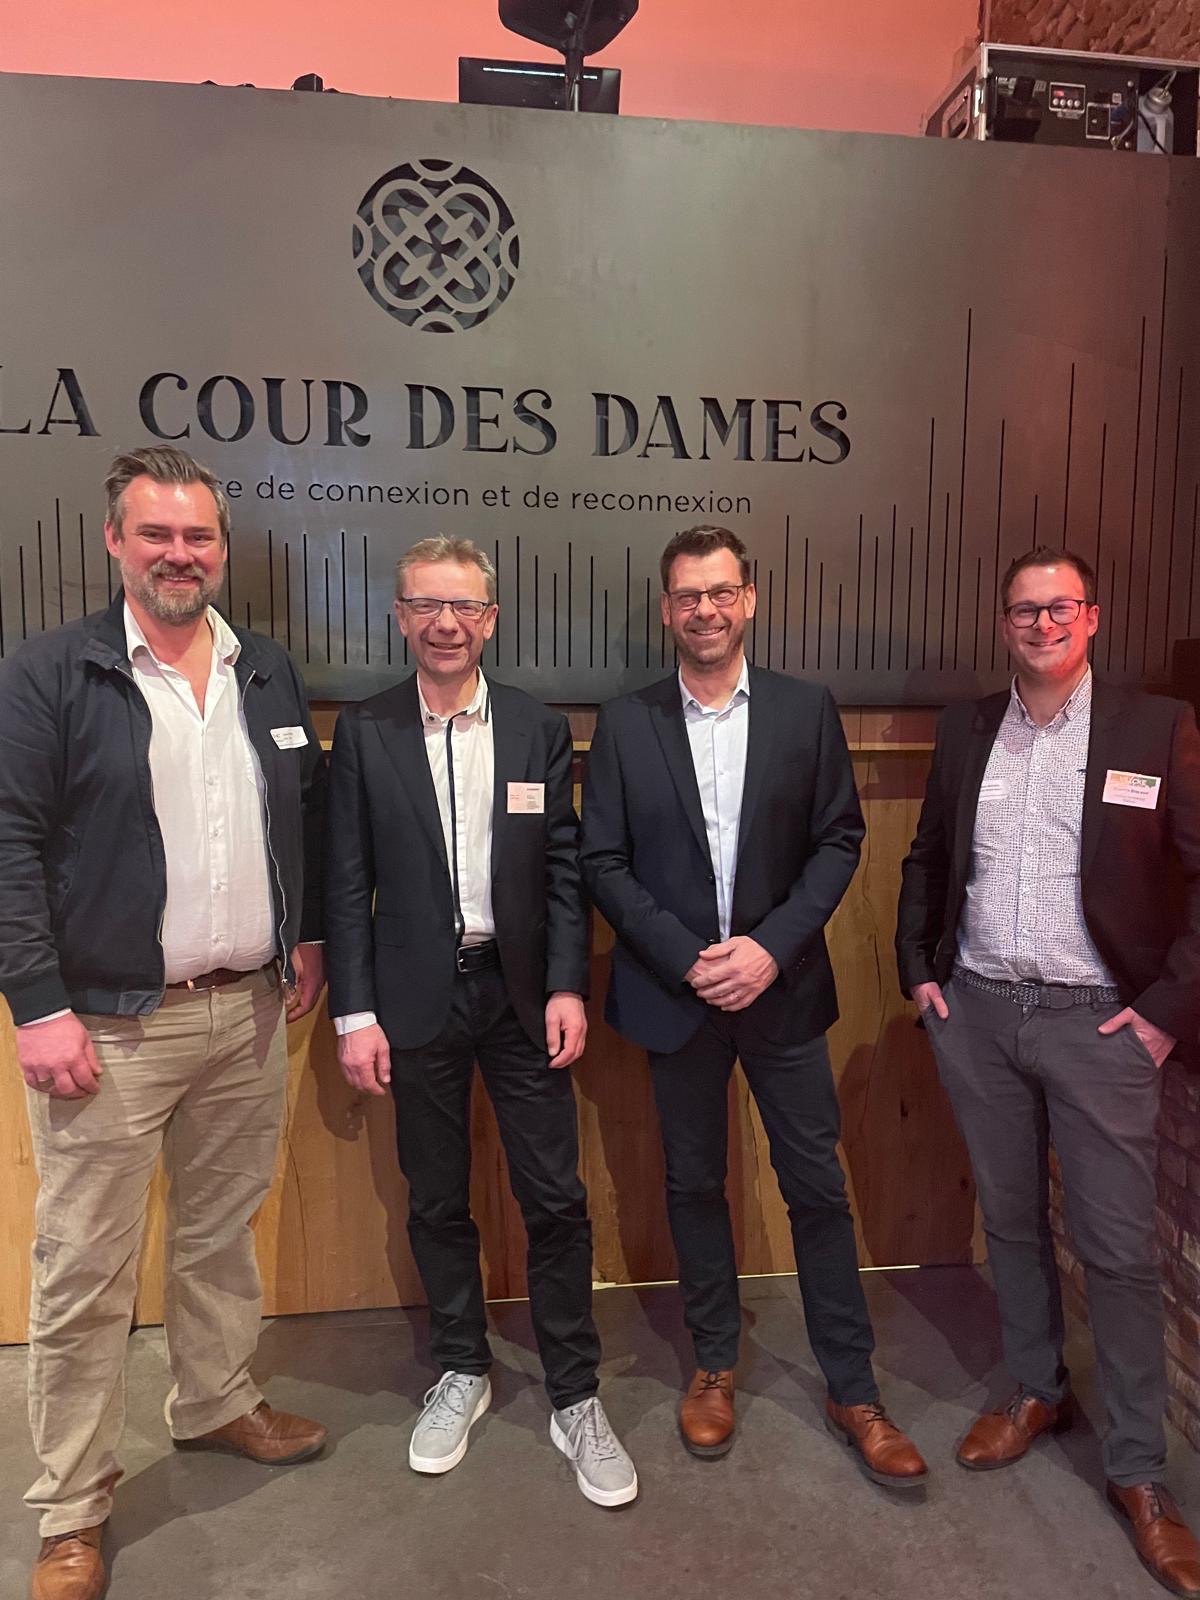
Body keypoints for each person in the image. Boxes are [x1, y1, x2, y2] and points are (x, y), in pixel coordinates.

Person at [0, 446, 329, 1600]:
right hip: (108, 1024)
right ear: (115, 542)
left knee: (219, 1234)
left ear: (222, 550)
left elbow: (298, 812)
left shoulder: (265, 669)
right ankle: (72, 1508)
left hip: (247, 1011)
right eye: (157, 534)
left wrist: (305, 934)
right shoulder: (51, 672)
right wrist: (37, 1002)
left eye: (198, 537)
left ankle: (217, 1401)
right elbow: (9, 845)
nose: (179, 555)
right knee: (85, 1269)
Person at [580, 523, 927, 1488]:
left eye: (721, 592)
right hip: (677, 993)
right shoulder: (627, 722)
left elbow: (839, 839)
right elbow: (602, 859)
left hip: (782, 989)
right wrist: (689, 959)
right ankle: (714, 1365)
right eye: (689, 595)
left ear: (751, 599)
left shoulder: (804, 710)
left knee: (816, 1187)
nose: (706, 609)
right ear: (667, 609)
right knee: (694, 1185)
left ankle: (853, 1388)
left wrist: (769, 949)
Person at [896, 545, 1200, 1597]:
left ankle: (1140, 1470)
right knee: (1015, 1220)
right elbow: (929, 857)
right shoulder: (969, 727)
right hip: (979, 1010)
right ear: (1005, 623)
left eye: (1060, 607)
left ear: (1092, 617)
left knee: (1117, 1252)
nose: (1043, 624)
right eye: (1025, 610)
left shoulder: (1154, 728)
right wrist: (918, 972)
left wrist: (1161, 1015)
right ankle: (1036, 1388)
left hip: (1097, 1025)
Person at [323, 535, 637, 1508]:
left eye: (464, 606)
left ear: (491, 619)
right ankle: (462, 1366)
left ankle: (574, 1392)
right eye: (426, 605)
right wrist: (355, 1011)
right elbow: (345, 882)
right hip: (414, 999)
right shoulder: (367, 732)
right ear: (400, 616)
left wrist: (568, 985)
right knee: (434, 1196)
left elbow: (563, 868)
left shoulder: (538, 728)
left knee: (556, 1198)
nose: (446, 624)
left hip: (519, 996)